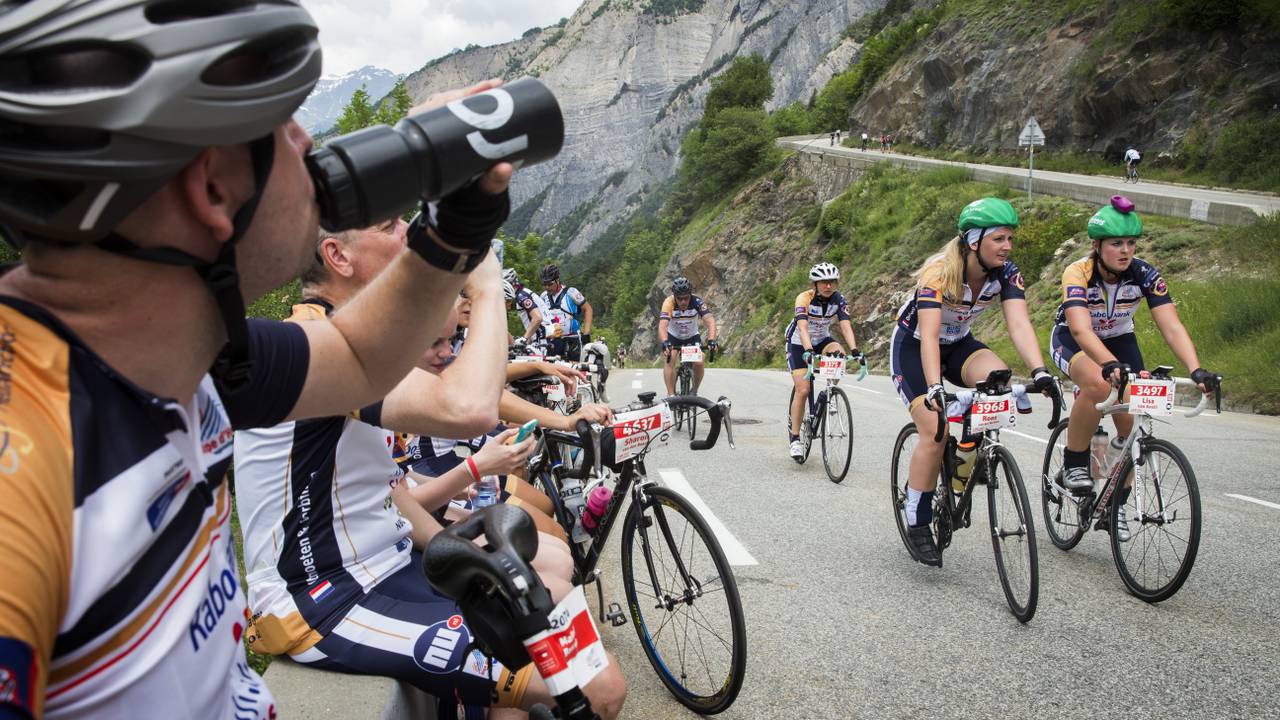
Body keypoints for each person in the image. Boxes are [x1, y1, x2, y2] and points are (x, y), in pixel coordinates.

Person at [0, 3, 514, 718]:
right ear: (213, 188)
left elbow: (361, 355)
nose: (308, 144)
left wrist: (457, 224)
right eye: (282, 124)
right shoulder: (22, 472)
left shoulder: (183, 352)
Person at [233, 223, 626, 719]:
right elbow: (470, 407)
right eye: (389, 225)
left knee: (547, 594)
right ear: (338, 256)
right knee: (600, 686)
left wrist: (458, 549)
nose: (406, 233)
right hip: (324, 597)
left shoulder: (359, 340)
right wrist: (485, 287)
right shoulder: (312, 341)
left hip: (393, 561)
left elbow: (390, 490)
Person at [889, 198, 1061, 566]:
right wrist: (935, 386)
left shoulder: (1006, 274)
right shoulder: (938, 273)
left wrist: (1039, 371)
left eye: (1010, 238)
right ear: (973, 242)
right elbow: (930, 336)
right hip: (915, 347)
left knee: (996, 383)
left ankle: (962, 463)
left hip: (960, 344)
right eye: (999, 238)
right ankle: (917, 516)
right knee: (935, 429)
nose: (1008, 246)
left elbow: (1019, 325)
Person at [1050, 197, 1219, 540]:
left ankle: (1115, 506)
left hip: (1120, 341)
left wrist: (1197, 369)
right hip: (1073, 339)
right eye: (1116, 244)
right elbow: (1082, 330)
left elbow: (1171, 325)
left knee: (1133, 430)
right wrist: (1107, 363)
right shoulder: (1078, 272)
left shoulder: (1145, 273)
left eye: (1131, 243)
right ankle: (1074, 462)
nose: (1125, 250)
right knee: (1098, 385)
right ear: (1097, 246)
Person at [784, 263, 865, 461]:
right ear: (815, 283)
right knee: (803, 390)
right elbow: (802, 328)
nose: (828, 286)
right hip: (798, 343)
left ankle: (830, 393)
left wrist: (855, 350)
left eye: (832, 282)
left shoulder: (839, 300)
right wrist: (809, 351)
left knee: (838, 352)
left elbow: (845, 326)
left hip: (822, 340)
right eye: (824, 283)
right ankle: (795, 439)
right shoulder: (804, 298)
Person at [658, 276, 718, 397]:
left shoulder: (697, 301)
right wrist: (665, 342)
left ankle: (694, 391)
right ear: (675, 296)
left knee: (699, 362)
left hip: (692, 336)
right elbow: (662, 325)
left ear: (690, 295)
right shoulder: (668, 303)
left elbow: (710, 321)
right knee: (670, 359)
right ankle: (671, 396)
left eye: (686, 298)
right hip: (673, 336)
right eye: (679, 299)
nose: (683, 302)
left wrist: (712, 340)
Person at [540, 264, 593, 361]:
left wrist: (586, 333)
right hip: (552, 341)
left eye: (550, 284)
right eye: (544, 284)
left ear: (557, 280)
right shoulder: (543, 296)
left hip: (572, 340)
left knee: (574, 371)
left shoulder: (571, 292)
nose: (547, 287)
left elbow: (588, 309)